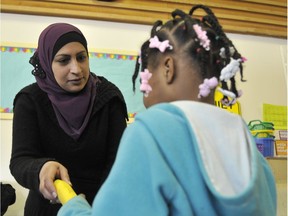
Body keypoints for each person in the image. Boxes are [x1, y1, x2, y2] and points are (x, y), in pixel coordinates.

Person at [58, 5, 277, 216]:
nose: (143, 89)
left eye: (145, 73)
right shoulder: (245, 137)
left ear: (168, 68)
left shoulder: (150, 132)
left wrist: (73, 206)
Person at [9, 23, 128, 216]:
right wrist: (42, 168)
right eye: (64, 60)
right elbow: (20, 161)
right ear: (47, 63)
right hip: (46, 210)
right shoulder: (30, 100)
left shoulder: (109, 98)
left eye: (82, 58)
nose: (77, 69)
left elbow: (119, 163)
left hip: (100, 208)